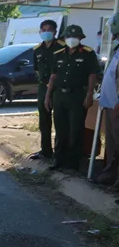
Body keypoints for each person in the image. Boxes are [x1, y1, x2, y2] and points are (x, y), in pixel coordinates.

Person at [44, 24, 99, 172]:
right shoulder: (59, 54)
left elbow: (92, 75)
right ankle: (59, 160)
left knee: (76, 130)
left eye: (75, 37)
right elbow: (53, 76)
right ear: (64, 38)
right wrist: (48, 96)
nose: (72, 39)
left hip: (77, 96)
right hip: (59, 96)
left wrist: (89, 94)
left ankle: (73, 164)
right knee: (60, 130)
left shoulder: (88, 53)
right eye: (69, 37)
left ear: (80, 38)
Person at [30, 19, 65, 161]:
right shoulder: (37, 49)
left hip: (58, 89)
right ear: (40, 32)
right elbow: (37, 69)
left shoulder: (63, 47)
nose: (46, 32)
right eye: (43, 30)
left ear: (55, 31)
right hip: (43, 87)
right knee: (44, 120)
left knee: (60, 121)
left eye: (49, 29)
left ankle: (60, 153)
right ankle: (45, 151)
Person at [95, 13, 119, 187]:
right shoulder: (116, 50)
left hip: (117, 106)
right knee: (111, 143)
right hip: (109, 104)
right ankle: (110, 175)